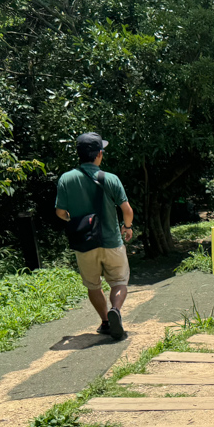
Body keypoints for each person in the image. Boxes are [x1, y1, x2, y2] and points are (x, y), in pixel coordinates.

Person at [55, 132, 134, 340]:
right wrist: (128, 227)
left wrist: (77, 219)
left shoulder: (66, 179)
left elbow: (60, 213)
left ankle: (105, 322)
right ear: (99, 154)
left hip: (84, 243)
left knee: (93, 285)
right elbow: (127, 210)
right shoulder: (111, 179)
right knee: (119, 282)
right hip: (111, 242)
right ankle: (115, 310)